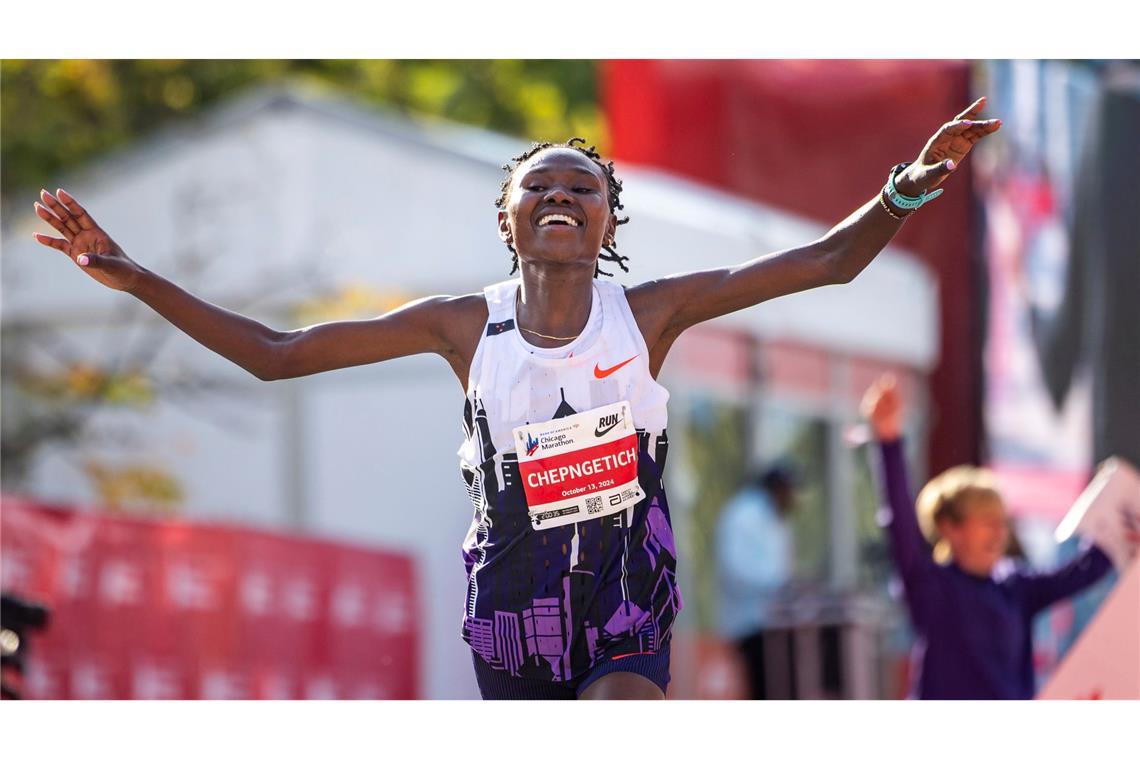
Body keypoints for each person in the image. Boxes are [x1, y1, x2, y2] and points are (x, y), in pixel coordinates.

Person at [32, 98, 1001, 700]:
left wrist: (908, 189)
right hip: (511, 610)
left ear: (609, 221)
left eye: (584, 188)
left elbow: (828, 263)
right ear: (508, 219)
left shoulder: (650, 313)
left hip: (625, 601)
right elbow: (277, 354)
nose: (562, 196)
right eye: (541, 187)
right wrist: (132, 275)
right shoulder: (463, 325)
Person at [860, 374, 1114, 699]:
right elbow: (899, 522)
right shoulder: (931, 587)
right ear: (949, 528)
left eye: (1002, 522)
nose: (999, 532)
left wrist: (1119, 515)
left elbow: (1086, 570)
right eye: (986, 521)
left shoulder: (1016, 587)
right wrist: (888, 440)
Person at [714, 464, 798, 698]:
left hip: (774, 625)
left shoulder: (775, 519)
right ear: (777, 488)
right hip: (753, 625)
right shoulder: (744, 515)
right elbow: (736, 571)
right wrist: (779, 584)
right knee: (764, 690)